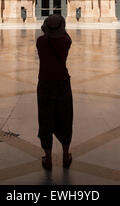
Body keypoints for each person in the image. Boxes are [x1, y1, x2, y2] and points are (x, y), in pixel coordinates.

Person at [36, 14, 73, 171]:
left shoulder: (41, 42)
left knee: (45, 120)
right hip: (62, 83)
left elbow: (45, 36)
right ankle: (65, 155)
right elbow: (67, 37)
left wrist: (48, 30)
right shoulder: (65, 42)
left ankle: (48, 158)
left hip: (45, 84)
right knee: (65, 117)